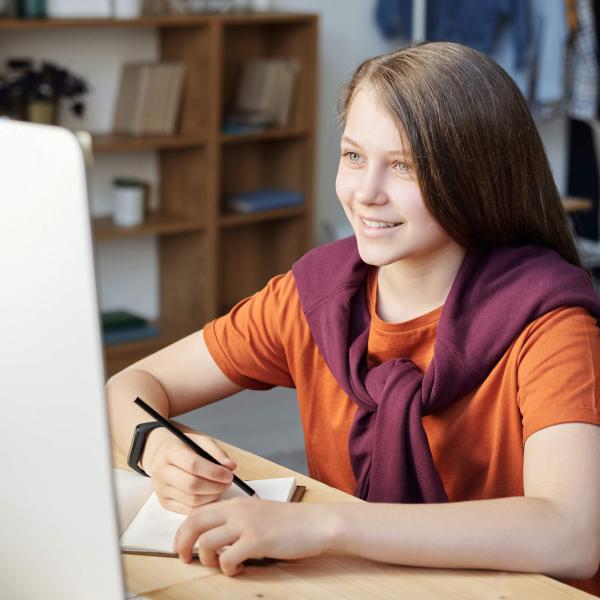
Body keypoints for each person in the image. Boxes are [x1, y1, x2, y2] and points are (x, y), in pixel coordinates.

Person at [106, 42, 600, 595]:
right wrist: (155, 444)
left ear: (476, 176)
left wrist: (325, 525)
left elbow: (571, 532)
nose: (366, 193)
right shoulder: (315, 296)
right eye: (354, 156)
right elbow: (128, 386)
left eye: (405, 166)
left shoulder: (551, 325)